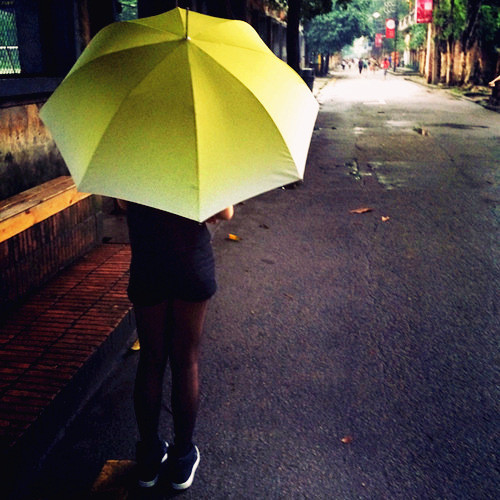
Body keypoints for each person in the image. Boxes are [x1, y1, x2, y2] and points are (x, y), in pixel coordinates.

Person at [121, 200, 234, 491]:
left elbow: (123, 203)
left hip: (148, 266)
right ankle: (182, 459)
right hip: (191, 265)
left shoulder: (129, 157)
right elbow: (225, 212)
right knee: (186, 361)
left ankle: (148, 458)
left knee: (151, 359)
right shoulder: (196, 158)